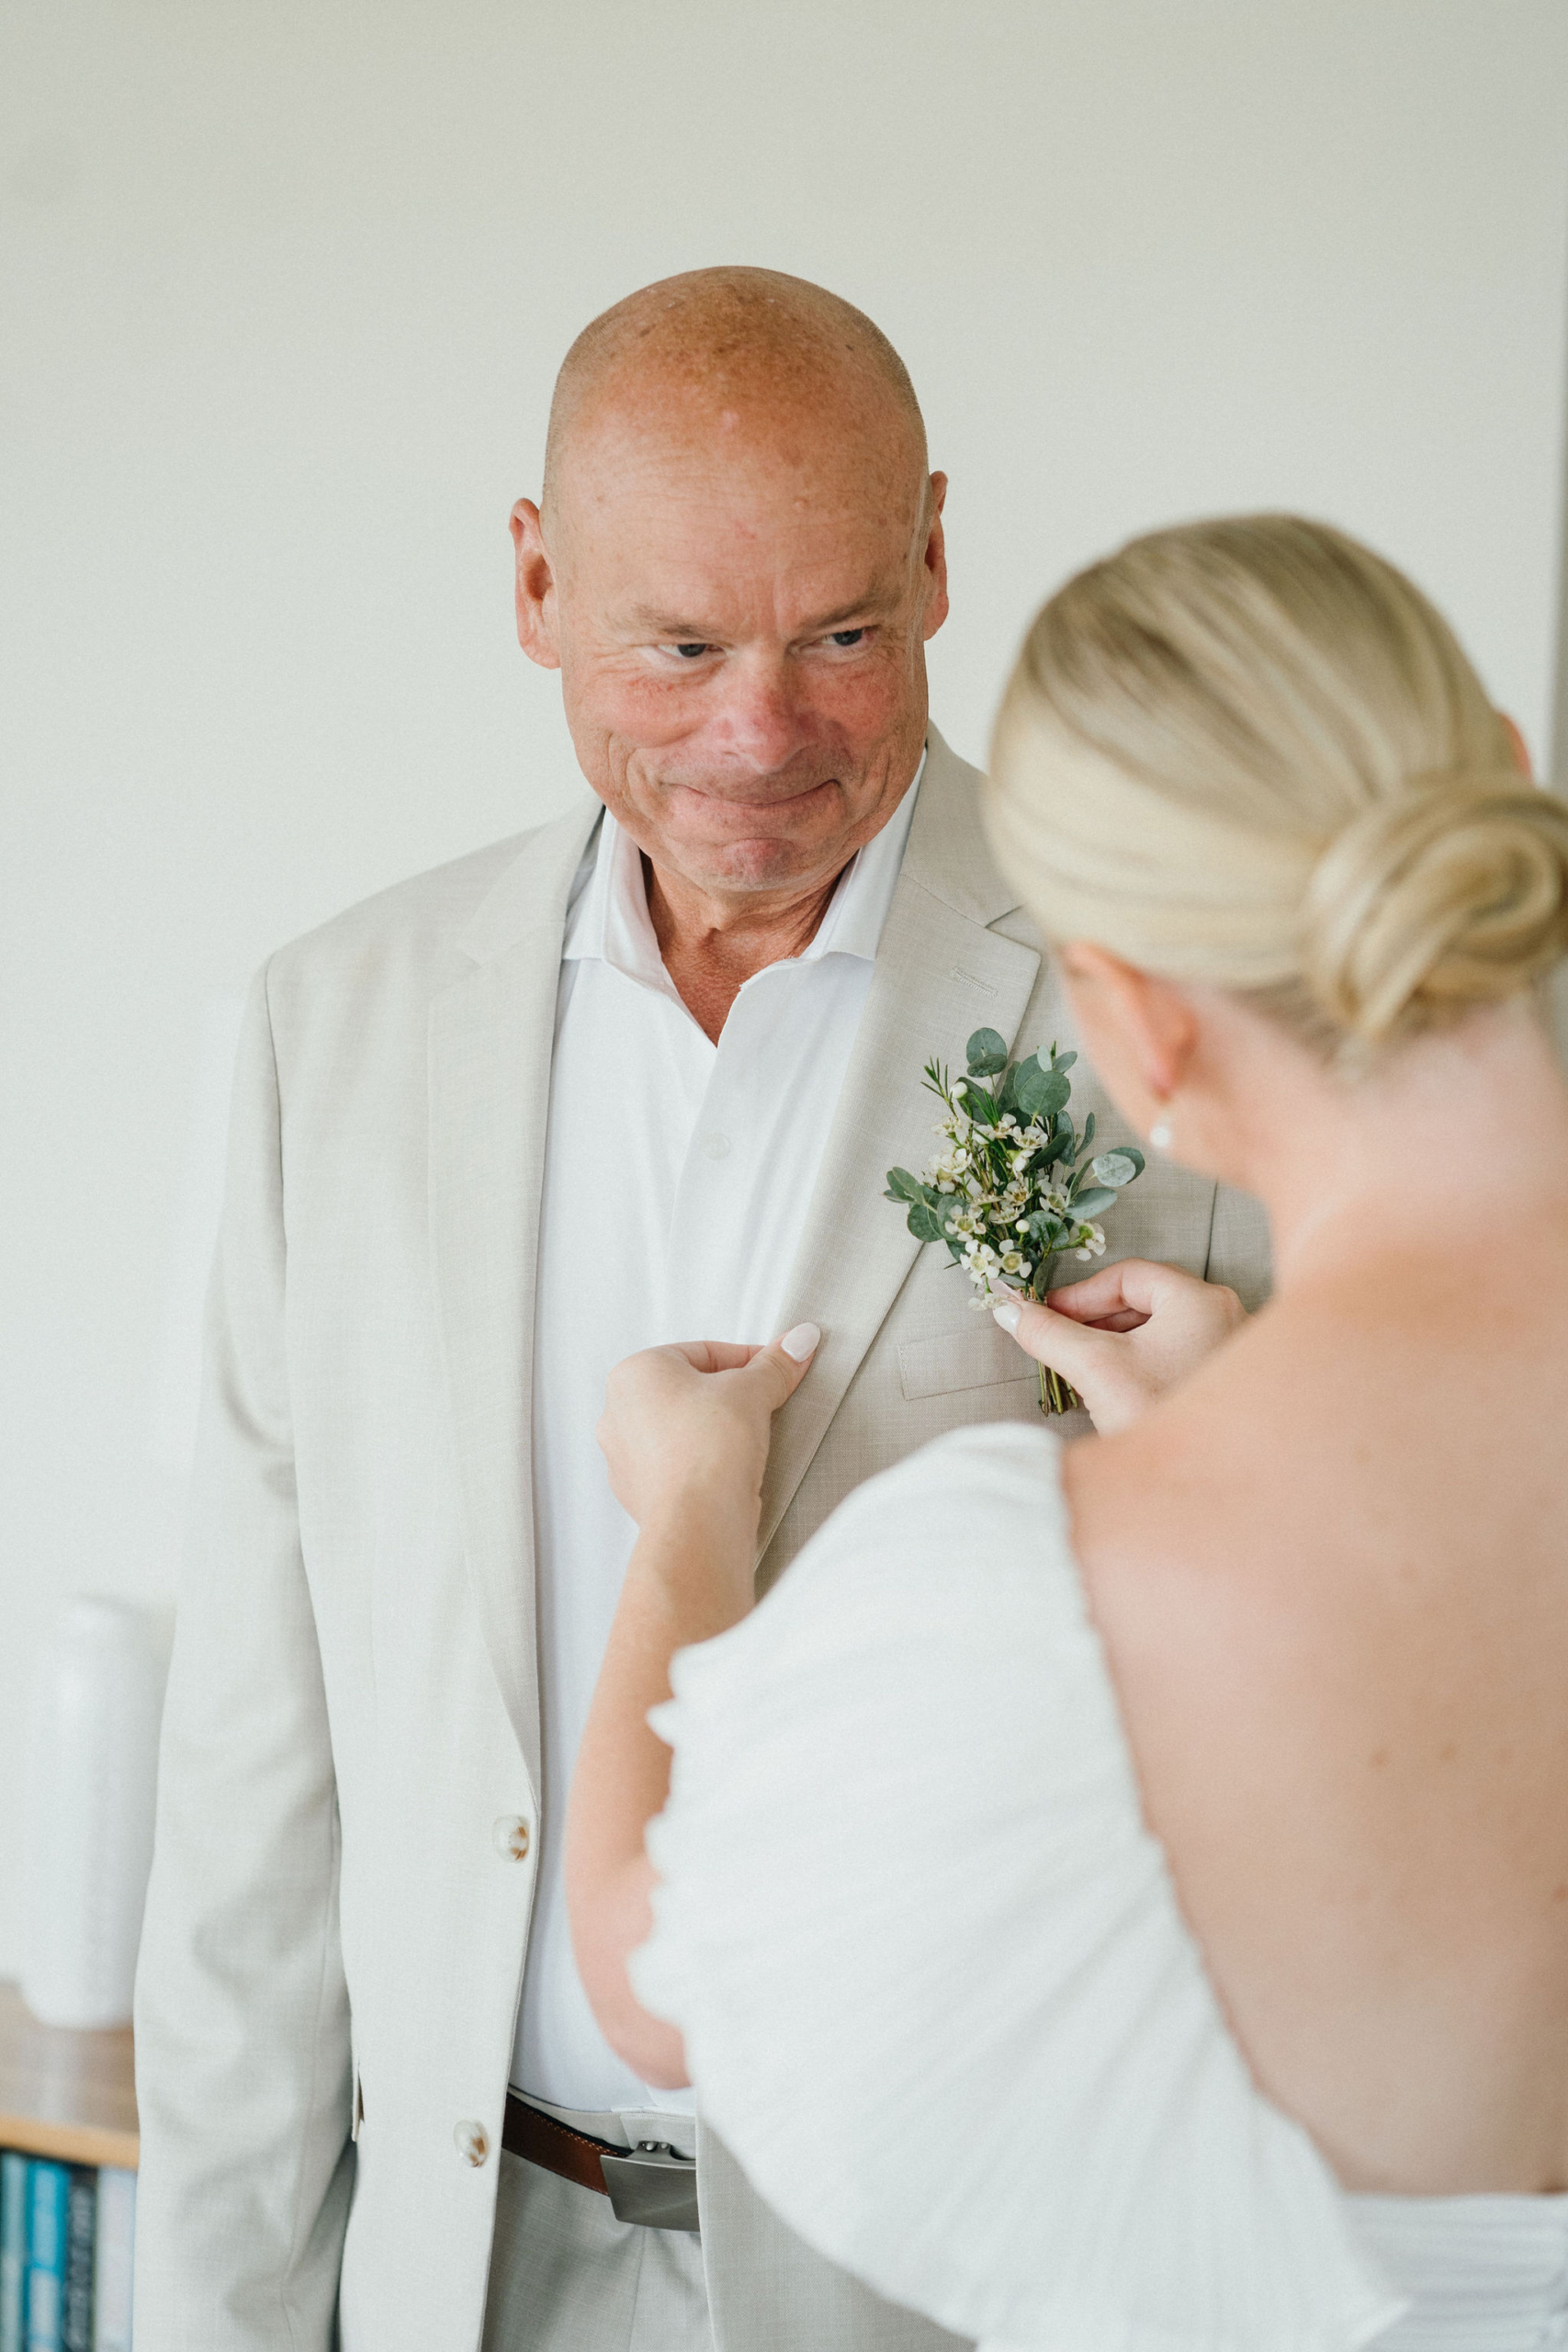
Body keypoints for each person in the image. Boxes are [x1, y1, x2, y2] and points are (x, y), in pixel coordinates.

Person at [130, 270, 1268, 2352]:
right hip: (454, 2263)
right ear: (535, 580)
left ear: (934, 553)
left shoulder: (1184, 1010)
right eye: (674, 646)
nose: (760, 733)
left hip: (968, 2285)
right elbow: (251, 1782)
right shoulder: (337, 1028)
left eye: (839, 632)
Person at [566, 514, 1568, 2348]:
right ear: (1498, 779)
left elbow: (647, 1976)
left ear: (1128, 1022)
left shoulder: (1031, 1592)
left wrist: (685, 1519)